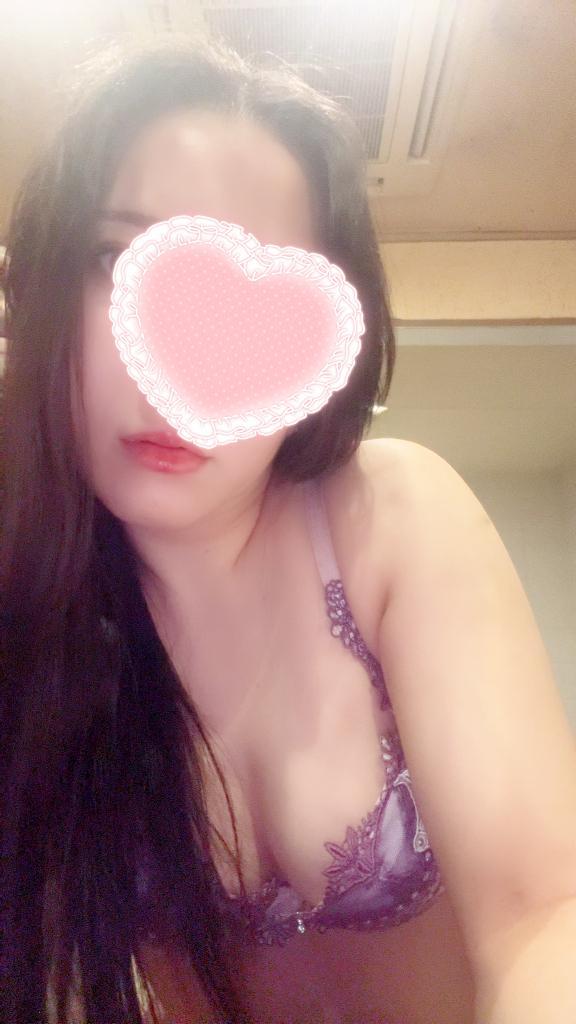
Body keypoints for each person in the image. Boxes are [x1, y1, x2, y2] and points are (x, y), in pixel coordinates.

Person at [2, 30, 576, 1024]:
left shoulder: (388, 519)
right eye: (118, 258)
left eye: (251, 296)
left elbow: (544, 917)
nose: (177, 361)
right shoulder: (41, 626)